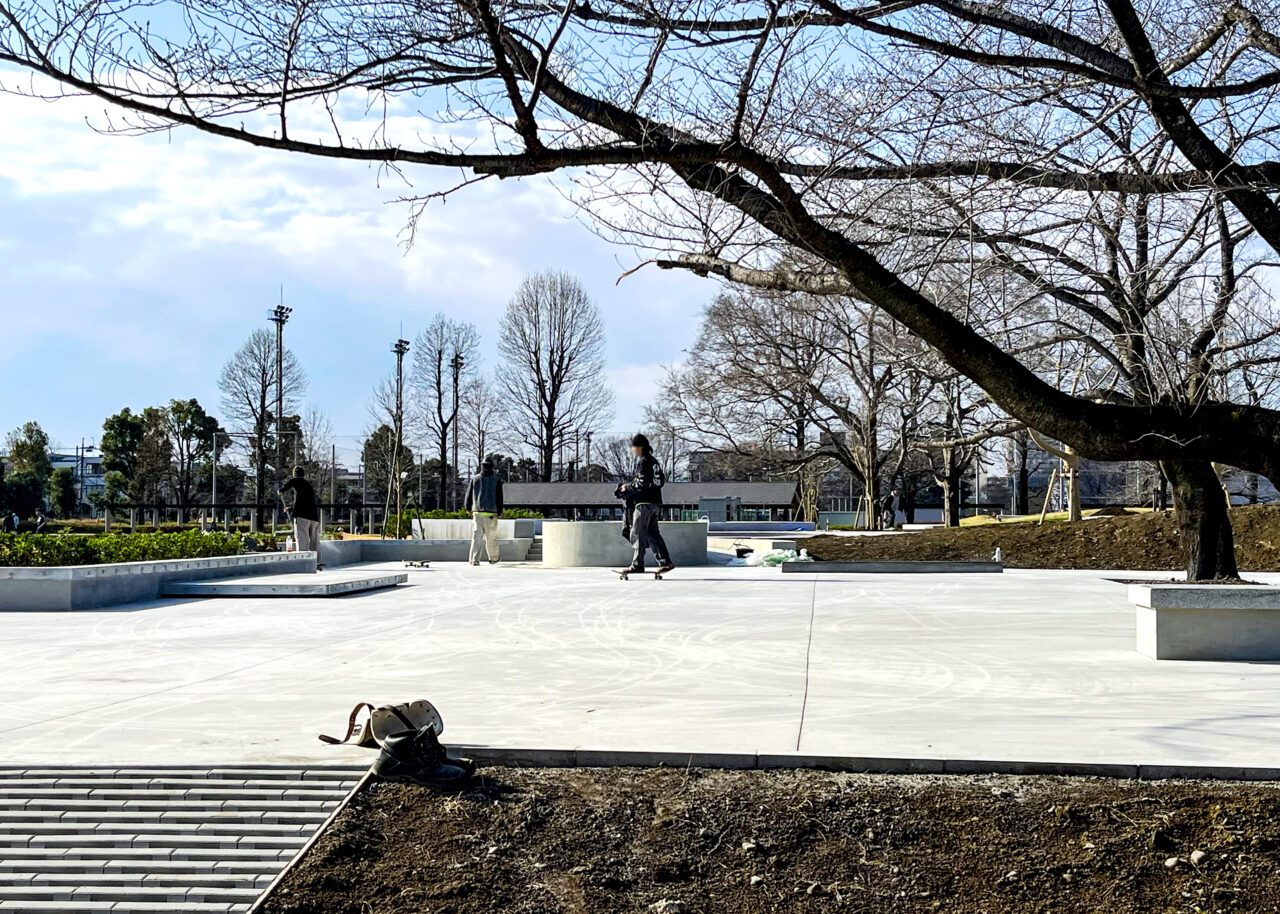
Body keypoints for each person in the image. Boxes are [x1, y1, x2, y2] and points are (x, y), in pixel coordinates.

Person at [619, 433, 674, 576]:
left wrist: (627, 488)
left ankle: (637, 565)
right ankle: (665, 561)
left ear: (640, 447)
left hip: (643, 503)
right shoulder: (654, 462)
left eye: (634, 447)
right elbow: (660, 481)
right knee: (652, 533)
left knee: (637, 532)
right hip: (654, 503)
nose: (632, 450)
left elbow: (641, 483)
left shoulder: (644, 462)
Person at [278, 466, 322, 564]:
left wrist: (282, 490)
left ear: (295, 474)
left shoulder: (297, 480)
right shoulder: (308, 485)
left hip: (302, 517)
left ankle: (303, 562)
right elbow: (304, 502)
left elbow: (292, 482)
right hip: (314, 517)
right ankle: (317, 562)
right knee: (314, 541)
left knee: (303, 540)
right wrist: (290, 509)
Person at [465, 458, 504, 565]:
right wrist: (500, 512)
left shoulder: (475, 479)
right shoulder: (497, 479)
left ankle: (474, 560)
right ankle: (494, 558)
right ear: (492, 466)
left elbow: (468, 495)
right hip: (491, 514)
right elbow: (499, 497)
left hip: (477, 513)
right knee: (491, 538)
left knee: (476, 538)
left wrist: (468, 508)